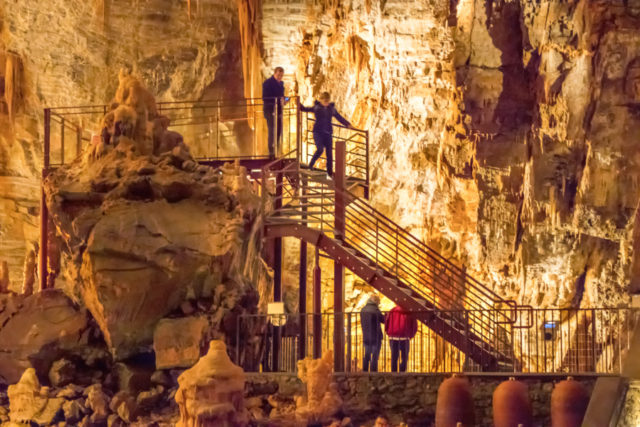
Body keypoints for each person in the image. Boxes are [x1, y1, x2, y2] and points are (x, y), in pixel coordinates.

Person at [299, 92, 352, 177]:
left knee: (329, 154)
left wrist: (347, 124)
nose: (326, 103)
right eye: (325, 101)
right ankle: (310, 165)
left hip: (327, 133)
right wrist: (298, 104)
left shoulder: (331, 109)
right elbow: (305, 109)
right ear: (321, 100)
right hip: (318, 132)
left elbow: (339, 117)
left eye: (327, 101)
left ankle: (329, 173)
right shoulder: (317, 108)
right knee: (320, 149)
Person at [384, 305, 417, 372]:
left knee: (394, 357)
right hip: (404, 338)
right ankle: (402, 372)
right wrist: (410, 335)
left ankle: (394, 373)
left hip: (393, 337)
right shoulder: (409, 312)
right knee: (404, 357)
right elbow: (414, 325)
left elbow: (386, 322)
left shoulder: (392, 311)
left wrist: (389, 332)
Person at [262, 66, 286, 159]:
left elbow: (282, 96)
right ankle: (271, 152)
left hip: (278, 111)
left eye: (281, 75)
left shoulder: (281, 84)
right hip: (270, 110)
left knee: (278, 130)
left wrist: (285, 99)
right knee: (272, 131)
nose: (280, 77)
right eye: (279, 75)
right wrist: (276, 100)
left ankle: (277, 150)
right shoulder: (267, 83)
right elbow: (265, 97)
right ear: (274, 73)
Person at [360, 294, 384, 372]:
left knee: (366, 355)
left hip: (366, 336)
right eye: (379, 302)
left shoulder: (363, 309)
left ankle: (365, 371)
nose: (379, 304)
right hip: (375, 337)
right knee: (374, 356)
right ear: (376, 301)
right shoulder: (375, 310)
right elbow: (383, 320)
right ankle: (373, 373)